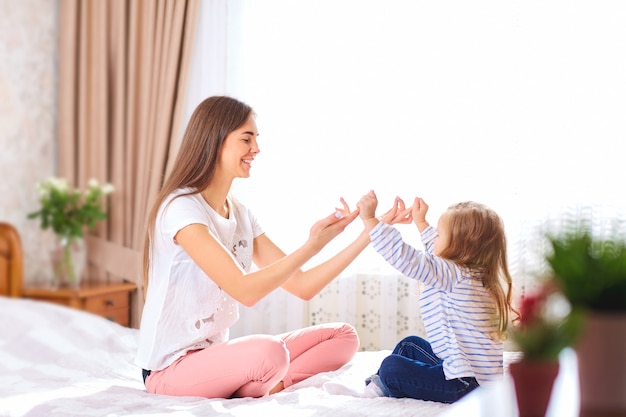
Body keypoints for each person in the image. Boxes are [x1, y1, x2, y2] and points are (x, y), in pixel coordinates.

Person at [135, 96, 371, 399]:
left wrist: (366, 235)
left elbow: (302, 285)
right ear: (215, 141)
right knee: (269, 352)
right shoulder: (181, 209)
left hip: (213, 358)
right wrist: (311, 245)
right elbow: (244, 290)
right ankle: (260, 379)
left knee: (343, 336)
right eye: (247, 139)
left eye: (256, 139)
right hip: (169, 368)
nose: (256, 149)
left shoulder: (241, 213)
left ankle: (268, 384)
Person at [355, 190, 517, 403]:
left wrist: (369, 219)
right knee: (409, 345)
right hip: (470, 378)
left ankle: (378, 387)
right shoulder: (470, 273)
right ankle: (377, 385)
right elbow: (439, 250)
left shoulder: (454, 274)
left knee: (391, 366)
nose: (435, 238)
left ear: (459, 246)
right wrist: (421, 222)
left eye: (440, 234)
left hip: (463, 386)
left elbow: (406, 258)